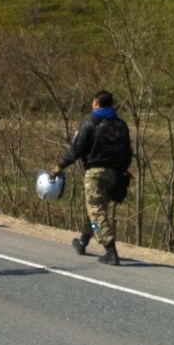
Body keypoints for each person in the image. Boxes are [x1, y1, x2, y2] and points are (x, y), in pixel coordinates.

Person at [52, 90, 133, 265]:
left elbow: (77, 149)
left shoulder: (90, 122)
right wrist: (123, 170)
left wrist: (60, 166)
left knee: (96, 211)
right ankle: (82, 242)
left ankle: (110, 251)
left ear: (96, 103)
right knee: (97, 207)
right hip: (114, 174)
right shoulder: (121, 125)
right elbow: (128, 152)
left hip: (94, 173)